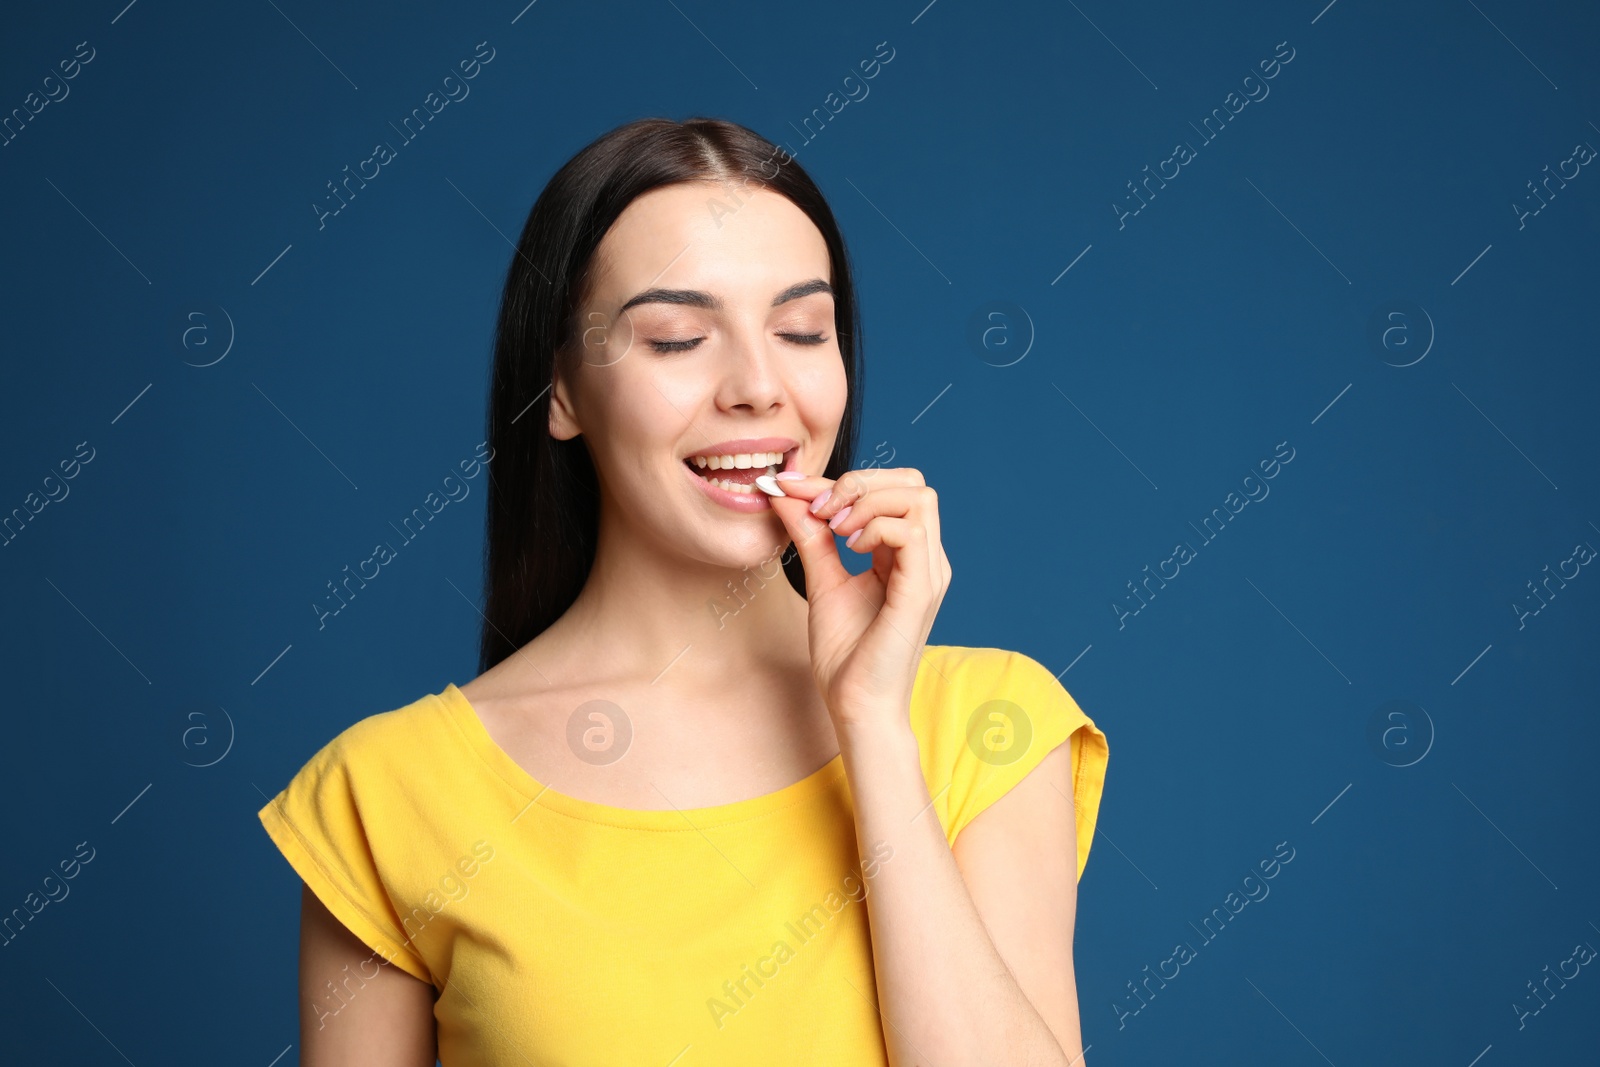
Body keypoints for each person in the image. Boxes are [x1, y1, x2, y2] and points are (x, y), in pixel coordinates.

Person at [258, 116, 1109, 1066]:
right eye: (675, 338)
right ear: (565, 394)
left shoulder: (991, 725)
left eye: (801, 330)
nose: (757, 385)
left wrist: (872, 723)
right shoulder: (384, 796)